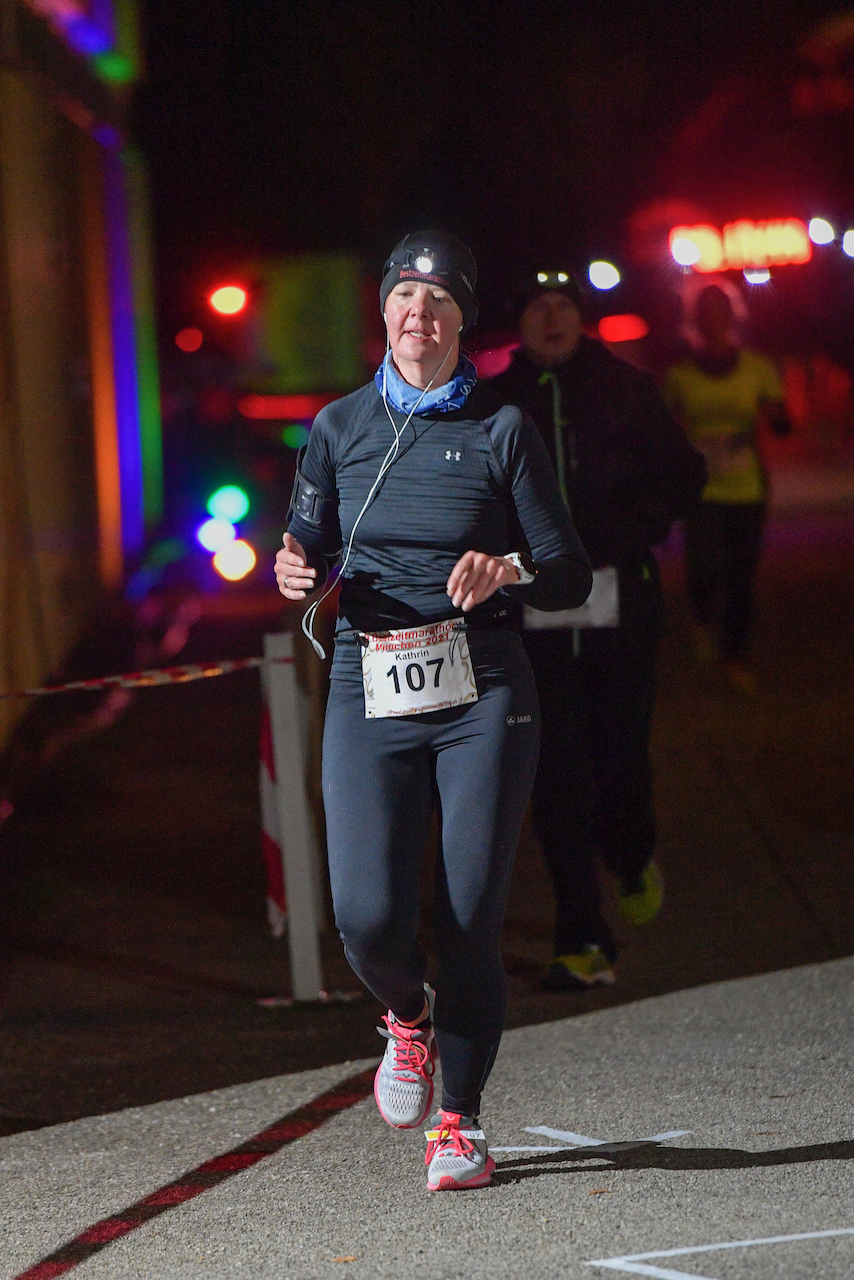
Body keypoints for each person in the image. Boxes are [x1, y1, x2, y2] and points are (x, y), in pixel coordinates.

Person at [275, 232, 592, 1191]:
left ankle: (460, 1124)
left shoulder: (502, 430)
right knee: (366, 915)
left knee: (468, 913)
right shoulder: (337, 427)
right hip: (369, 681)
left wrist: (509, 566)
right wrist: (293, 568)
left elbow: (569, 571)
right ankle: (407, 1020)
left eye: (439, 299)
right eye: (405, 296)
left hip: (482, 688)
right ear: (383, 313)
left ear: (463, 320)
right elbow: (307, 543)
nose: (420, 312)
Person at [490, 270, 706, 991]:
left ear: (583, 318)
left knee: (619, 762)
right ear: (518, 322)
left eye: (563, 306)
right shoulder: (493, 403)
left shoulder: (626, 391)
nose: (551, 318)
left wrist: (635, 523)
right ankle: (581, 935)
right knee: (556, 777)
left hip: (620, 611)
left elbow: (686, 476)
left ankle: (632, 849)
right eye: (536, 306)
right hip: (534, 621)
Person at [663, 283, 789, 694]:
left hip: (747, 486)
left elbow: (780, 422)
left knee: (741, 574)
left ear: (732, 318)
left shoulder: (757, 368)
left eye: (722, 311)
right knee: (702, 568)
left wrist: (777, 416)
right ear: (695, 321)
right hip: (702, 490)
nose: (715, 320)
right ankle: (702, 621)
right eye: (707, 312)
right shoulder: (680, 376)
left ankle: (735, 654)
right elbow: (668, 430)